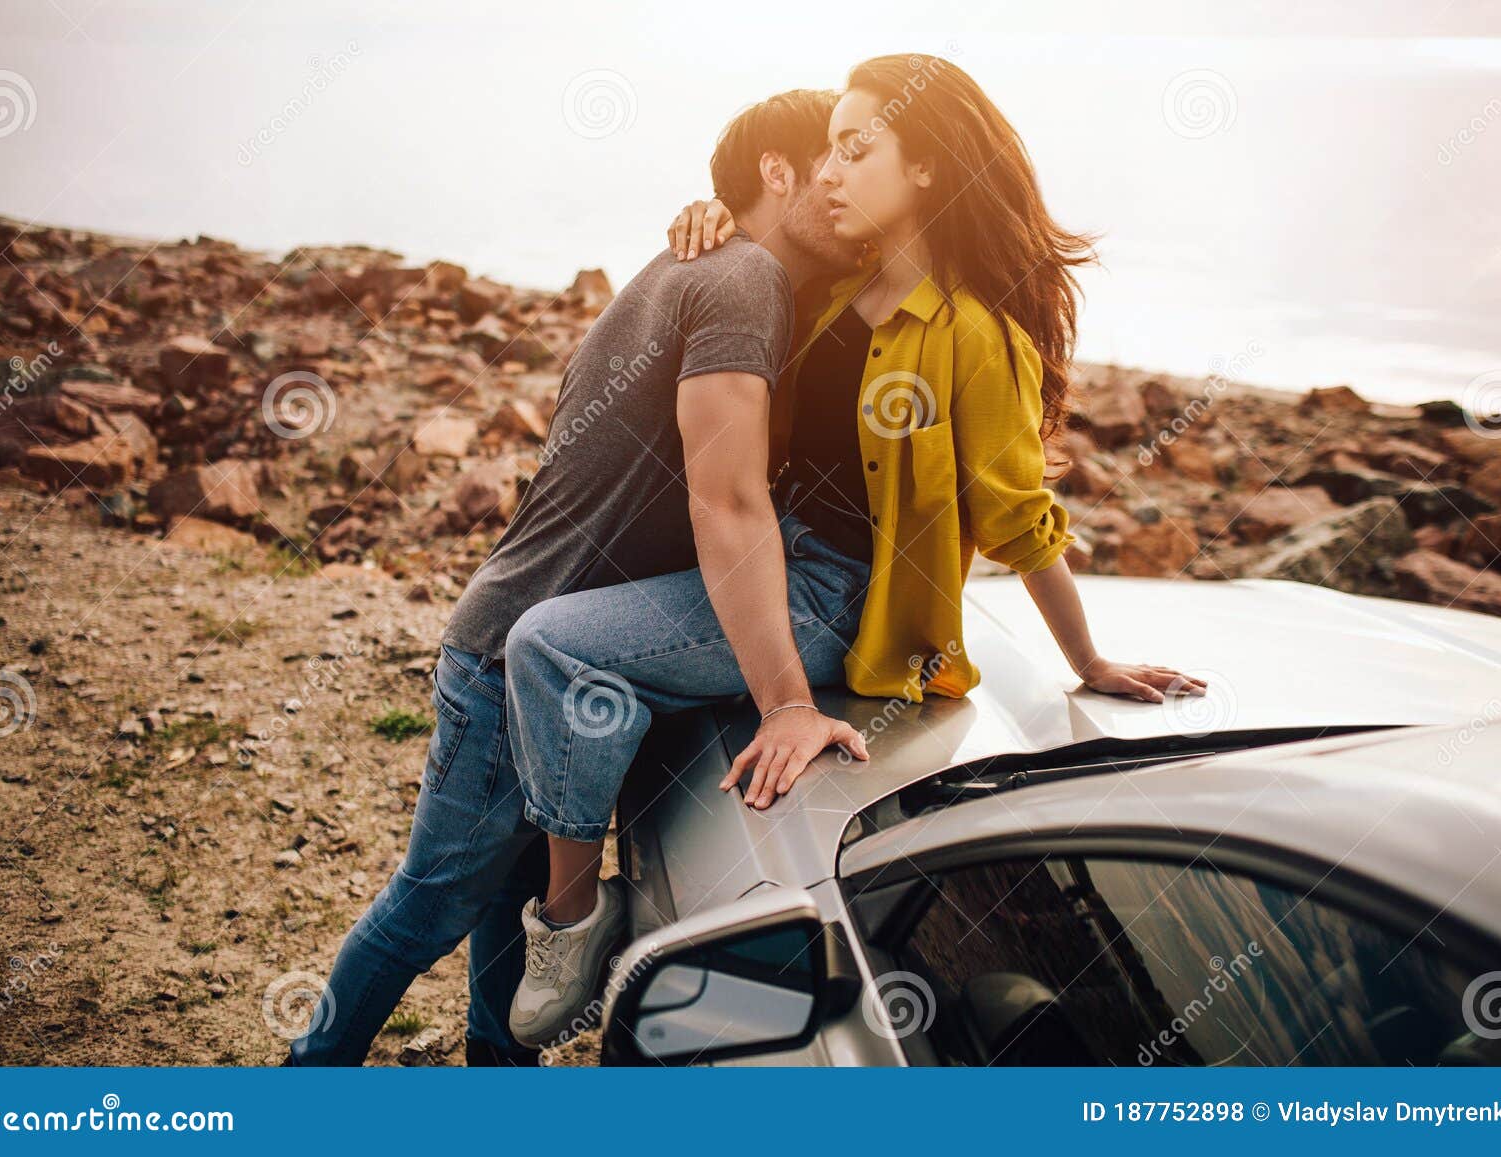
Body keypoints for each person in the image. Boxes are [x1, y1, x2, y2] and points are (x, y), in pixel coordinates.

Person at [502, 53, 1207, 1043]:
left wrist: (1087, 661)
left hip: (843, 598)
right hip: (776, 554)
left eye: (853, 148)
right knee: (560, 639)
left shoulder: (976, 336)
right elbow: (748, 287)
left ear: (923, 169)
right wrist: (710, 216)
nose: (825, 171)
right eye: (825, 149)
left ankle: (570, 925)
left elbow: (1015, 515)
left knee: (549, 642)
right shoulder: (836, 292)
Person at [285, 89, 865, 1065]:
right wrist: (788, 699)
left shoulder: (703, 263)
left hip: (523, 632)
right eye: (836, 161)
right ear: (779, 172)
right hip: (521, 648)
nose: (850, 189)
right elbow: (723, 501)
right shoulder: (742, 278)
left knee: (500, 917)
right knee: (432, 901)